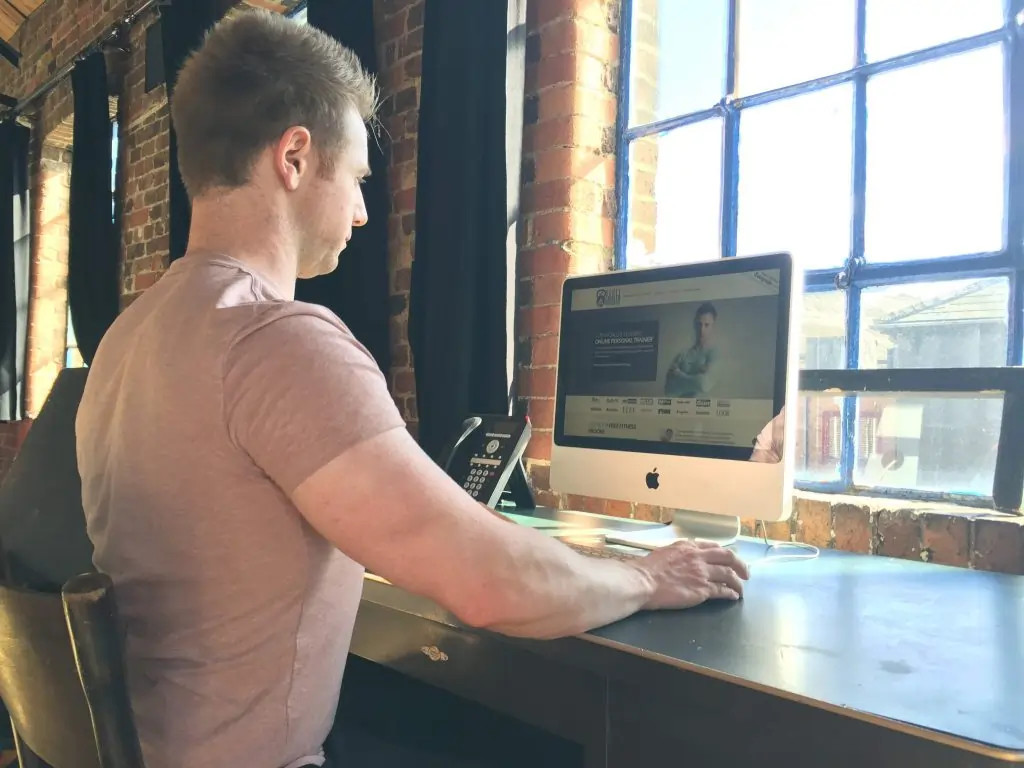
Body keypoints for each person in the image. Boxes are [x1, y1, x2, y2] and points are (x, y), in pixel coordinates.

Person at [74, 11, 749, 768]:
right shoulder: (276, 342)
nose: (364, 210)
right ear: (294, 156)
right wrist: (645, 575)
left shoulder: (125, 341)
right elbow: (492, 584)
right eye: (359, 178)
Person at [664, 303, 719, 397]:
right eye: (699, 324)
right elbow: (668, 389)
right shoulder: (683, 354)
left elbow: (702, 385)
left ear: (713, 327)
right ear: (694, 324)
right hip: (679, 409)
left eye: (707, 325)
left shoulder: (715, 354)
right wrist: (694, 379)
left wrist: (679, 376)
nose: (702, 330)